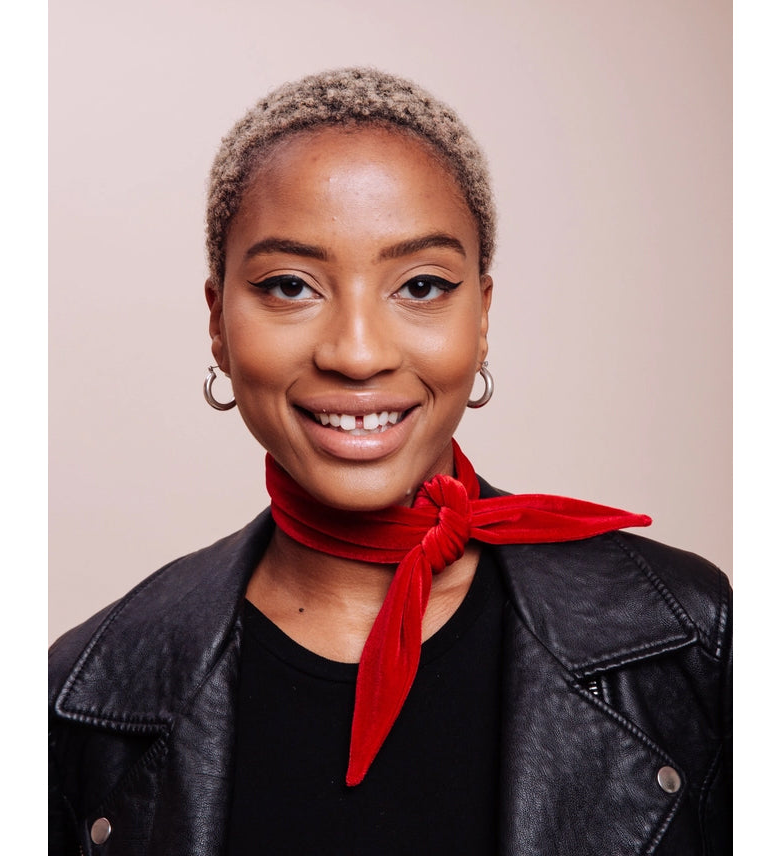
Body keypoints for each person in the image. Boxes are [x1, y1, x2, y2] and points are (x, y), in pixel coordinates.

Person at [48, 67, 732, 855]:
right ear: (217, 324)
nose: (357, 352)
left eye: (422, 285)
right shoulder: (86, 693)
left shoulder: (691, 639)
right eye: (290, 286)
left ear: (482, 316)